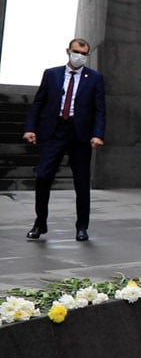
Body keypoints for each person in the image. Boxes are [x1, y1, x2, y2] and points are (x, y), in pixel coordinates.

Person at [23, 38, 106, 242]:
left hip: (80, 134)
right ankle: (40, 223)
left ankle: (82, 227)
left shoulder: (94, 78)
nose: (79, 56)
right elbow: (38, 103)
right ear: (68, 51)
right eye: (76, 52)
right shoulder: (51, 74)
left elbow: (100, 109)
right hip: (54, 131)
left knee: (82, 182)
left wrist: (98, 134)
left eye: (84, 54)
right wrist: (30, 128)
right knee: (43, 176)